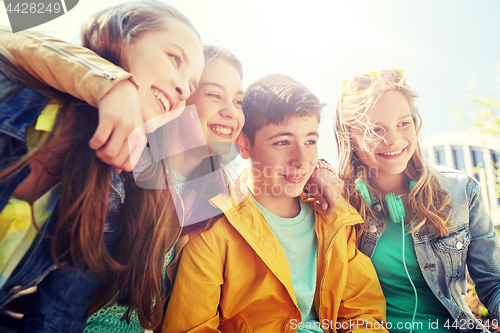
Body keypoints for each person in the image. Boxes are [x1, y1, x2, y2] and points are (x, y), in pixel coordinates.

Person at [0, 1, 204, 332]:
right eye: (175, 58)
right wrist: (112, 83)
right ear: (121, 37)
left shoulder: (113, 194)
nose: (183, 88)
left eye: (191, 86)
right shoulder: (11, 93)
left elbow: (58, 316)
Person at [162, 74, 388, 333]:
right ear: (244, 145)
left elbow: (365, 316)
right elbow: (190, 327)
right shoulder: (212, 226)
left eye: (310, 142)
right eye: (283, 142)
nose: (301, 160)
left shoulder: (335, 217)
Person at [334, 69, 500, 332]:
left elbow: (494, 282)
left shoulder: (462, 191)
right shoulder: (336, 203)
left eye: (403, 123)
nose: (394, 140)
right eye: (375, 129)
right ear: (349, 138)